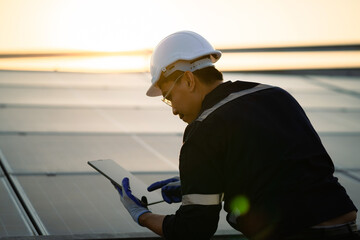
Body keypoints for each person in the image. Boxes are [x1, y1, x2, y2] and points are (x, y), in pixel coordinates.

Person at [114, 30, 359, 239]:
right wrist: (207, 182)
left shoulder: (202, 129)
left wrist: (142, 216)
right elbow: (282, 169)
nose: (174, 109)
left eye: (169, 97)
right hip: (347, 225)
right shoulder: (275, 94)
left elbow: (193, 230)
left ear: (188, 80)